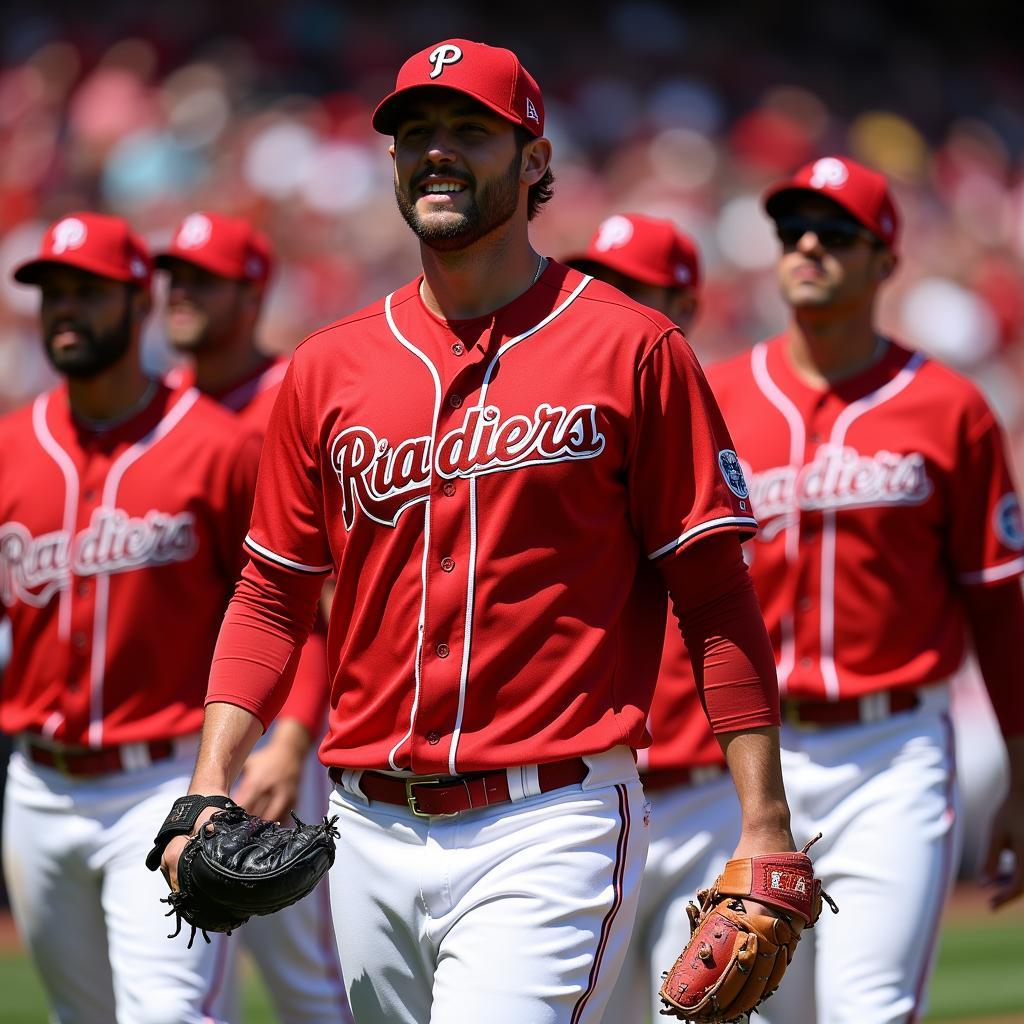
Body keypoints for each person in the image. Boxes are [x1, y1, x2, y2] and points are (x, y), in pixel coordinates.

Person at [158, 39, 796, 1024]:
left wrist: (763, 821)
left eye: (468, 130)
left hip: (554, 817)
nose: (436, 152)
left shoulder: (633, 348)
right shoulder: (330, 368)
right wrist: (208, 784)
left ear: (535, 159)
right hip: (364, 827)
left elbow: (713, 597)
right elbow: (273, 593)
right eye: (414, 134)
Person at [706, 155, 1024, 1024]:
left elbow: (1000, 605)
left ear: (886, 260)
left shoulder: (949, 407)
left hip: (895, 754)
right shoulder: (721, 398)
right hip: (747, 761)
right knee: (761, 1007)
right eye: (794, 230)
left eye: (837, 232)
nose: (810, 246)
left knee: (867, 1009)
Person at [0, 212, 260, 1024]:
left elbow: (284, 604)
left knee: (166, 1013)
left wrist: (284, 741)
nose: (66, 310)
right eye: (53, 294)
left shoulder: (216, 446)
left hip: (166, 778)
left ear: (139, 303)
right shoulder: (10, 445)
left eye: (89, 293)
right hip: (37, 783)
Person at [156, 211, 351, 1023]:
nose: (182, 293)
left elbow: (325, 603)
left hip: (277, 719)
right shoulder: (154, 407)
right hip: (171, 727)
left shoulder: (291, 397)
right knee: (177, 969)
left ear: (252, 292)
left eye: (205, 278)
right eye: (176, 276)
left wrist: (296, 740)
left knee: (307, 968)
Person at [566, 214, 742, 1024]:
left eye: (634, 288)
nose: (611, 304)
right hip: (585, 790)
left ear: (685, 305)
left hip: (706, 785)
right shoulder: (565, 436)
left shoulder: (739, 412)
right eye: (600, 282)